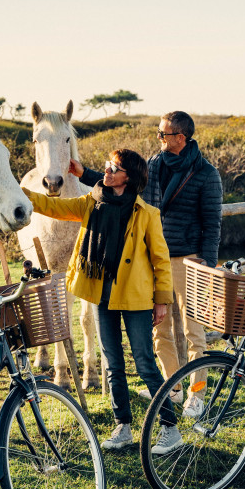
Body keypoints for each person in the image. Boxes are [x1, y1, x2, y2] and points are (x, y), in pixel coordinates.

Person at [22, 148, 182, 454]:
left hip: (135, 299)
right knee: (113, 365)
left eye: (114, 168)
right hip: (101, 295)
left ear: (129, 178)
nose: (106, 171)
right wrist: (21, 193)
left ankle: (170, 428)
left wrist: (162, 301)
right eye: (107, 165)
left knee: (146, 364)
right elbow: (52, 207)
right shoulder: (91, 202)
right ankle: (123, 426)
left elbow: (161, 261)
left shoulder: (147, 215)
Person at [71, 111, 223, 419]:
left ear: (181, 138)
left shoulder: (206, 174)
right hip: (151, 260)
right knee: (159, 331)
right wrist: (84, 173)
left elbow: (212, 224)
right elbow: (122, 184)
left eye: (164, 134)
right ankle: (173, 388)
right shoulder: (153, 164)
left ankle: (197, 395)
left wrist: (207, 264)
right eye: (159, 134)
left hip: (188, 259)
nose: (159, 138)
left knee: (194, 332)